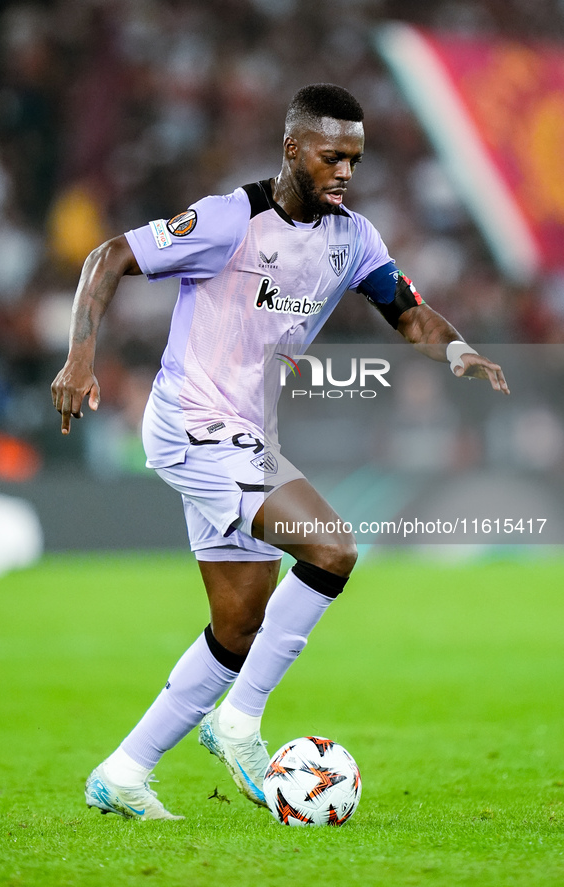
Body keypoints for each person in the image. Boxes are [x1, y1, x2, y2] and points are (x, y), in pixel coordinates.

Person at [51, 83, 509, 821]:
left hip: (247, 433)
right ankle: (238, 723)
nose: (344, 172)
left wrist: (454, 349)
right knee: (332, 548)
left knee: (238, 624)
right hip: (192, 421)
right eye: (332, 156)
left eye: (354, 160)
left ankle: (123, 771)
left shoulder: (352, 237)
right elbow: (107, 257)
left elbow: (406, 310)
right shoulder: (229, 220)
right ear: (293, 148)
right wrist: (79, 359)